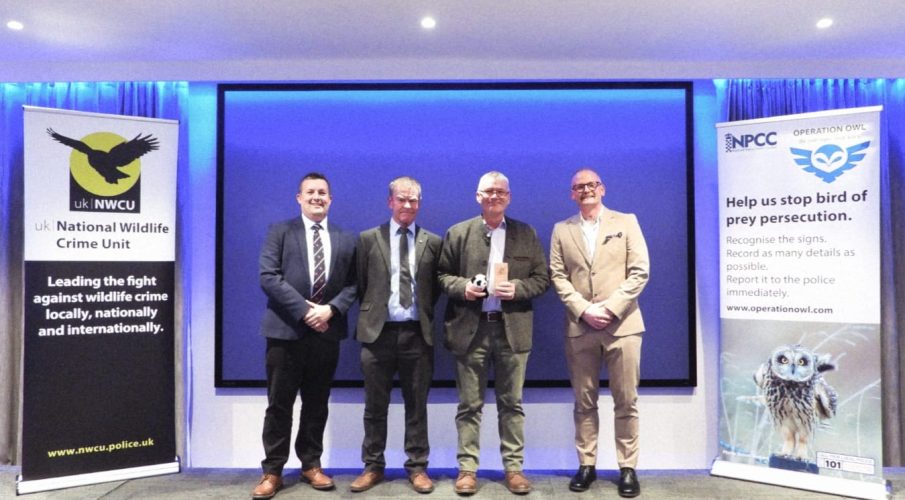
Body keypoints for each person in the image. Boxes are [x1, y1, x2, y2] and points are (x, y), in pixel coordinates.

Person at [438, 171, 549, 496]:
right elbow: (442, 275)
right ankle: (467, 470)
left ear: (509, 197)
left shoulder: (525, 233)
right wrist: (463, 288)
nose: (494, 196)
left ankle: (513, 469)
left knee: (512, 404)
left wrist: (518, 288)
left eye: (500, 192)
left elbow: (542, 278)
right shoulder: (458, 232)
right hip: (469, 330)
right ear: (478, 196)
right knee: (469, 405)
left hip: (512, 330)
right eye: (488, 191)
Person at [252, 172, 357, 500]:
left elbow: (354, 284)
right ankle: (272, 471)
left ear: (331, 199)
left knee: (316, 403)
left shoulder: (346, 238)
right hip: (285, 334)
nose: (317, 197)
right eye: (310, 192)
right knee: (279, 405)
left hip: (326, 333)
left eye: (322, 192)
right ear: (299, 198)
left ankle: (311, 464)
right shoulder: (280, 232)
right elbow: (268, 276)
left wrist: (331, 310)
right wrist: (305, 310)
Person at [548, 168, 650, 498]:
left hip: (623, 326)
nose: (586, 190)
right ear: (572, 194)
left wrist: (611, 307)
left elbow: (640, 272)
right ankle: (586, 464)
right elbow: (558, 276)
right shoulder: (561, 229)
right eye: (579, 187)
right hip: (580, 327)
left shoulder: (627, 222)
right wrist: (584, 309)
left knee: (626, 401)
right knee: (584, 400)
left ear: (602, 189)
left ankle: (627, 468)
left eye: (592, 185)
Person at [350, 176, 442, 494]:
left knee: (417, 406)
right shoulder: (368, 239)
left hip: (417, 334)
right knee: (374, 406)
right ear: (390, 202)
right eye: (401, 199)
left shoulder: (433, 241)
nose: (407, 205)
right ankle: (372, 466)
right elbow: (361, 284)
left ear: (419, 204)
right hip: (377, 334)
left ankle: (417, 467)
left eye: (413, 200)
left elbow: (434, 290)